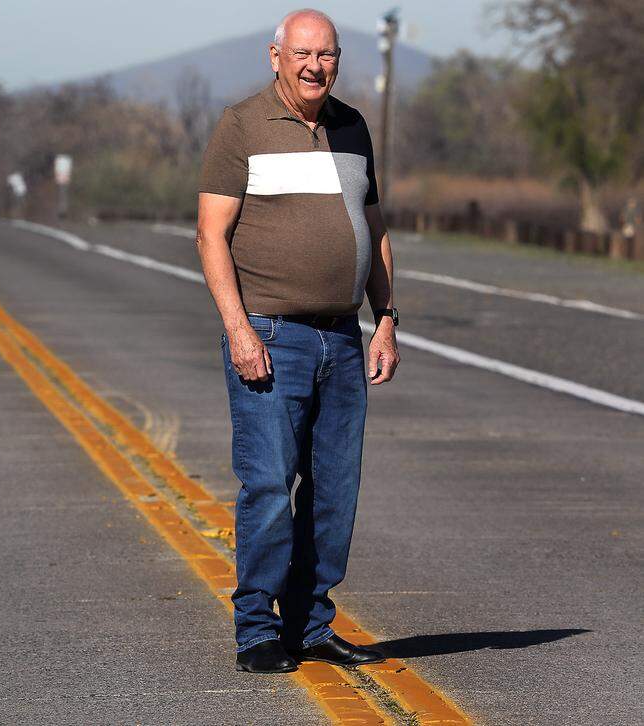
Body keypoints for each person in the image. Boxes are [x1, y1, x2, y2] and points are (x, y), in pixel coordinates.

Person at [195, 8, 401, 674]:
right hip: (271, 336)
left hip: (342, 339)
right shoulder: (242, 126)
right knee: (266, 486)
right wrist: (238, 330)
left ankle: (310, 625)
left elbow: (374, 226)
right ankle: (256, 629)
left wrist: (387, 317)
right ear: (276, 56)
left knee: (334, 492)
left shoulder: (352, 126)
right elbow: (210, 236)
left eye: (328, 55)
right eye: (303, 54)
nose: (316, 66)